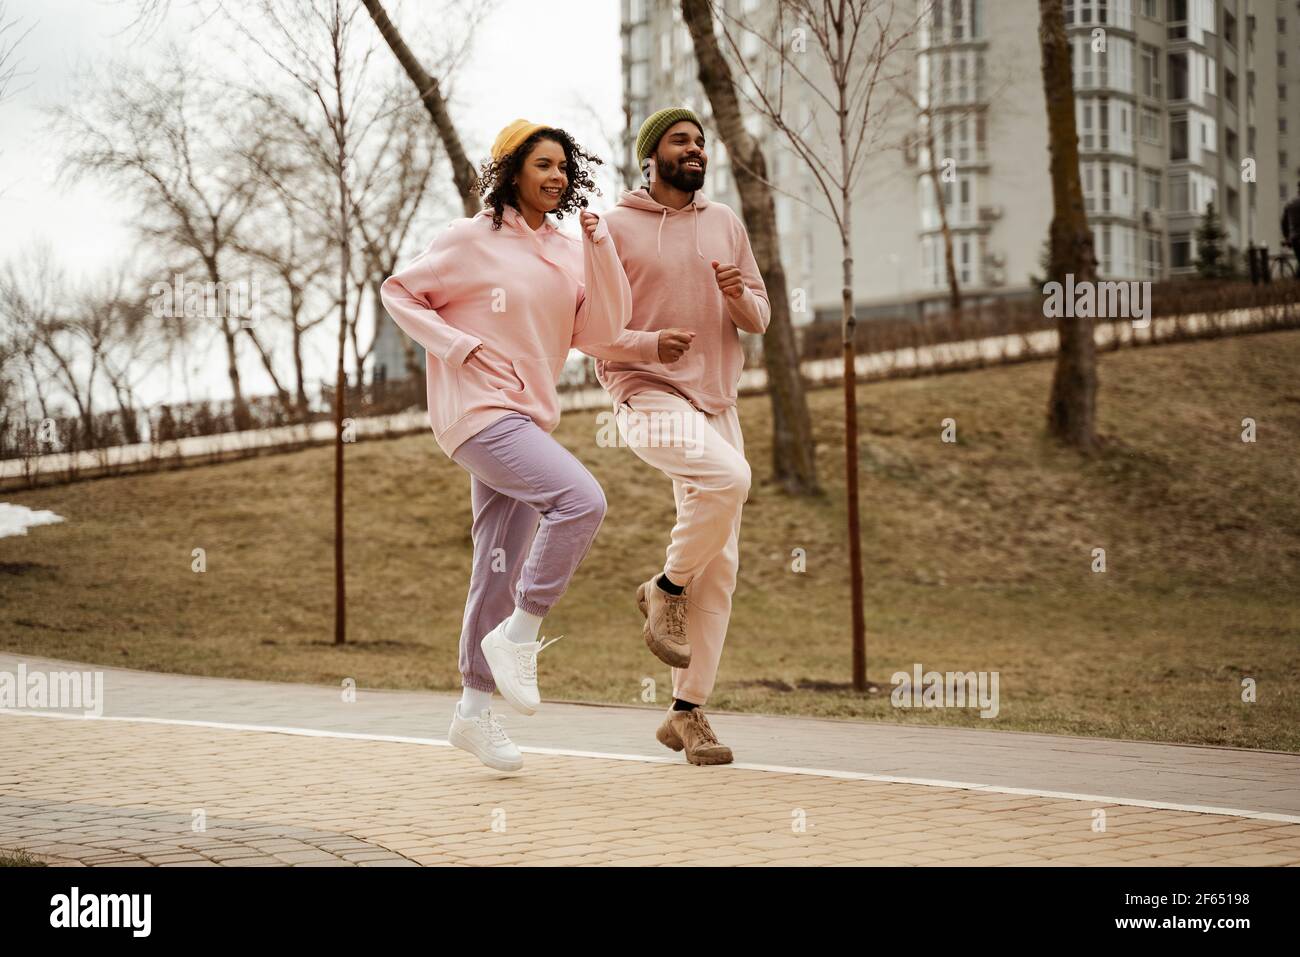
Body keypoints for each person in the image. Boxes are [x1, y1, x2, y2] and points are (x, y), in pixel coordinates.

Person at [381, 120, 632, 772]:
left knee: (496, 564)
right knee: (581, 499)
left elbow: (602, 330)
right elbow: (399, 290)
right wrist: (457, 346)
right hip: (479, 412)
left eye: (563, 167)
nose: (556, 176)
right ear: (512, 169)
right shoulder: (469, 240)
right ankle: (520, 637)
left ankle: (471, 714)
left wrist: (601, 251)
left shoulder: (565, 248)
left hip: (525, 417)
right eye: (543, 164)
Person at [577, 107, 770, 765]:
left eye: (700, 141)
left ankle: (686, 712)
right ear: (651, 154)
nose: (695, 148)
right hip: (648, 392)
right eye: (680, 139)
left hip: (717, 401)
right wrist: (648, 345)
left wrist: (738, 293)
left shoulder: (724, 223)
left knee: (722, 570)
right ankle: (662, 587)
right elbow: (589, 333)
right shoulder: (613, 229)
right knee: (732, 479)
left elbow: (760, 317)